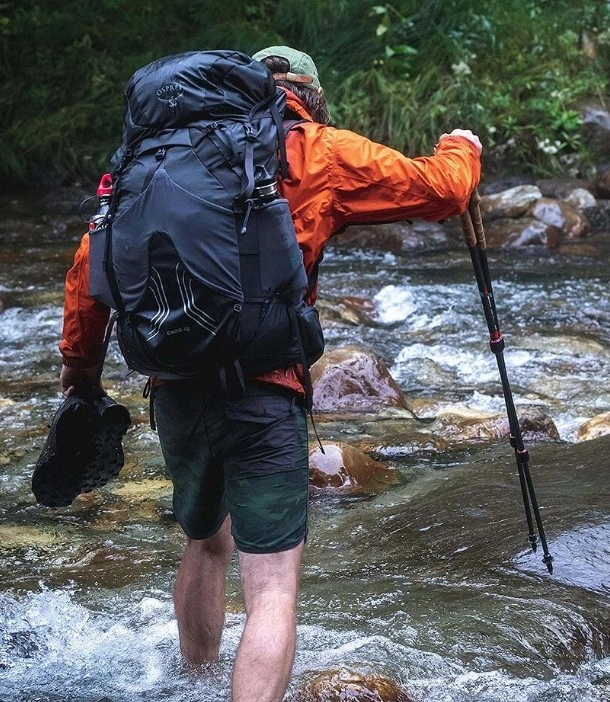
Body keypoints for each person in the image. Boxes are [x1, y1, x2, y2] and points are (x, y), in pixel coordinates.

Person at [59, 46, 481, 702]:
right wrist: (462, 146)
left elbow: (92, 266)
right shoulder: (314, 150)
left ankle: (195, 686)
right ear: (311, 98)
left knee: (206, 543)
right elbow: (444, 190)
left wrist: (80, 376)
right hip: (266, 387)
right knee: (273, 587)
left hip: (175, 388)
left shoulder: (155, 158)